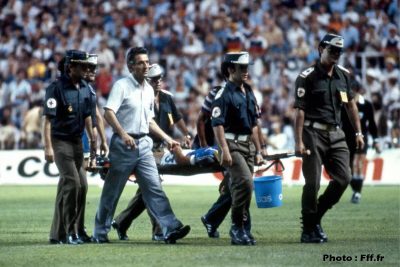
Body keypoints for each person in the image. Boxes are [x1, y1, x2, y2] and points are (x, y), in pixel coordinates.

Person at [92, 47, 190, 244]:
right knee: (112, 191)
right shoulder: (122, 86)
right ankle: (100, 233)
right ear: (131, 66)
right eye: (141, 63)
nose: (146, 66)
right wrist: (123, 133)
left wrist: (167, 138)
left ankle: (170, 227)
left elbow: (150, 121)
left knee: (154, 187)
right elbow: (108, 112)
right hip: (123, 146)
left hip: (145, 144)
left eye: (147, 62)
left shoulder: (148, 89)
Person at [293, 33, 364, 244]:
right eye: (332, 50)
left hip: (336, 133)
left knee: (344, 178)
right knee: (313, 183)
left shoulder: (343, 75)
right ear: (320, 48)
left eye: (339, 52)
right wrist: (298, 141)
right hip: (311, 133)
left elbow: (350, 105)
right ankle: (308, 229)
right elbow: (299, 111)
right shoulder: (306, 76)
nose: (336, 55)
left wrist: (358, 132)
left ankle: (315, 218)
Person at [43, 50, 97, 245]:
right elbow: (47, 121)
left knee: (81, 185)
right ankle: (69, 233)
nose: (86, 69)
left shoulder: (85, 88)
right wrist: (48, 147)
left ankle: (62, 233)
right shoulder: (55, 88)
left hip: (76, 142)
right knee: (72, 183)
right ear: (70, 67)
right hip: (60, 141)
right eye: (81, 66)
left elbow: (89, 118)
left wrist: (93, 142)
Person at [211, 51, 263, 246]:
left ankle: (243, 229)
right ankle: (236, 228)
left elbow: (255, 124)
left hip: (247, 144)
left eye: (247, 67)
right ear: (230, 69)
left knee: (243, 188)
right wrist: (224, 149)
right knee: (245, 183)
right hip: (231, 144)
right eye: (242, 68)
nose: (246, 71)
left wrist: (259, 149)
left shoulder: (248, 92)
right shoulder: (223, 94)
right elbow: (217, 124)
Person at [342, 80, 380, 204]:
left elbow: (372, 124)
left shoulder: (367, 105)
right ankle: (356, 190)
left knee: (359, 164)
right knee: (348, 169)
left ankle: (357, 193)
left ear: (357, 91)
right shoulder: (344, 104)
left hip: (361, 138)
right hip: (346, 139)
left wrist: (376, 140)